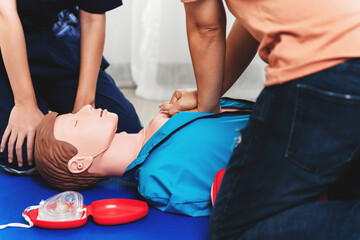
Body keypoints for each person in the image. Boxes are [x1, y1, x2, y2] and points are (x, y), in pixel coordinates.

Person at [159, 0, 360, 239]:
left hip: (325, 64)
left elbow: (206, 26)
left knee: (234, 229)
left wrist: (207, 105)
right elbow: (252, 22)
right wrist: (206, 95)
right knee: (343, 191)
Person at [34, 100, 251, 216]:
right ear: (80, 163)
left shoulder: (163, 117)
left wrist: (204, 98)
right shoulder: (158, 179)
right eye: (76, 122)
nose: (85, 107)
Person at [0, 0, 141, 175]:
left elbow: (92, 18)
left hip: (57, 41)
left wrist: (85, 105)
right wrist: (25, 103)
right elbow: (5, 13)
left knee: (128, 131)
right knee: (23, 155)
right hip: (5, 45)